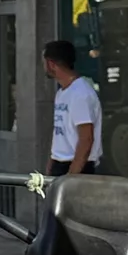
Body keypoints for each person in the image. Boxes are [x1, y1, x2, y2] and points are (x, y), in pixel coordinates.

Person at [42, 40, 102, 175]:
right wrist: (51, 164)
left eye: (44, 62)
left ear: (51, 64)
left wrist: (72, 175)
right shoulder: (62, 93)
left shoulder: (80, 93)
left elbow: (86, 138)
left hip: (76, 165)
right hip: (60, 162)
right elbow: (59, 134)